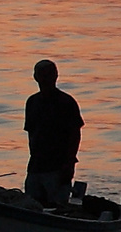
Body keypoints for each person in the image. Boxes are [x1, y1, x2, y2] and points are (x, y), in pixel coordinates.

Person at [23, 59, 83, 208]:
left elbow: (75, 135)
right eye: (42, 75)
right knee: (32, 206)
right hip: (36, 167)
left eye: (49, 74)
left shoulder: (67, 102)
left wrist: (69, 164)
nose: (46, 79)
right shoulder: (32, 102)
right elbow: (31, 134)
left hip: (58, 168)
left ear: (56, 76)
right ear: (35, 77)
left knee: (58, 207)